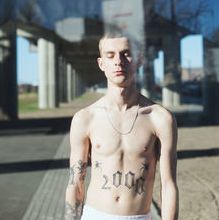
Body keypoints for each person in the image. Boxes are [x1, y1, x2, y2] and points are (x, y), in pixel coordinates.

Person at [64, 29, 178, 220]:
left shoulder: (160, 118)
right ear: (102, 64)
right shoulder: (85, 118)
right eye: (110, 55)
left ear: (140, 61)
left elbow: (168, 185)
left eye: (127, 54)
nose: (119, 61)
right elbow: (75, 184)